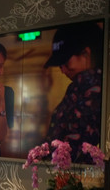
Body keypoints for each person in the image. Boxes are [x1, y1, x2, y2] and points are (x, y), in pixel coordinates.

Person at [44, 22, 103, 161]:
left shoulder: (86, 83)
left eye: (66, 62)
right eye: (60, 65)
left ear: (86, 54)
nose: (63, 70)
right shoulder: (82, 86)